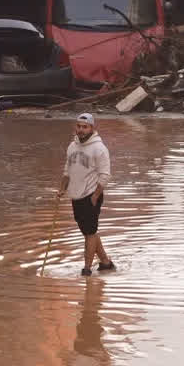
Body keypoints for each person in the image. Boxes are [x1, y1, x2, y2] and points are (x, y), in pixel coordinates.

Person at [59, 113, 114, 276]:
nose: (81, 130)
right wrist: (62, 189)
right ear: (75, 127)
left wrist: (95, 197)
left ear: (92, 128)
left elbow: (105, 175)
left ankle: (87, 269)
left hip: (91, 195)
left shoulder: (99, 148)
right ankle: (105, 262)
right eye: (78, 126)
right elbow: (67, 171)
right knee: (89, 231)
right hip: (75, 195)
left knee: (89, 233)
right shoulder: (72, 146)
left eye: (85, 127)